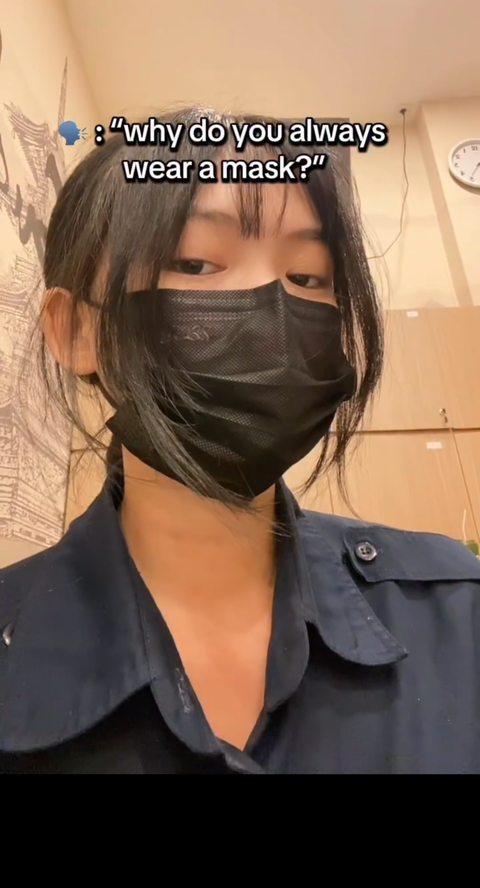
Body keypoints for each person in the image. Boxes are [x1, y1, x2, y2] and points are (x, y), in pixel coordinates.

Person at [0, 107, 479, 775]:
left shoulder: (457, 610)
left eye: (307, 278)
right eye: (195, 262)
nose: (271, 309)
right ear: (77, 330)